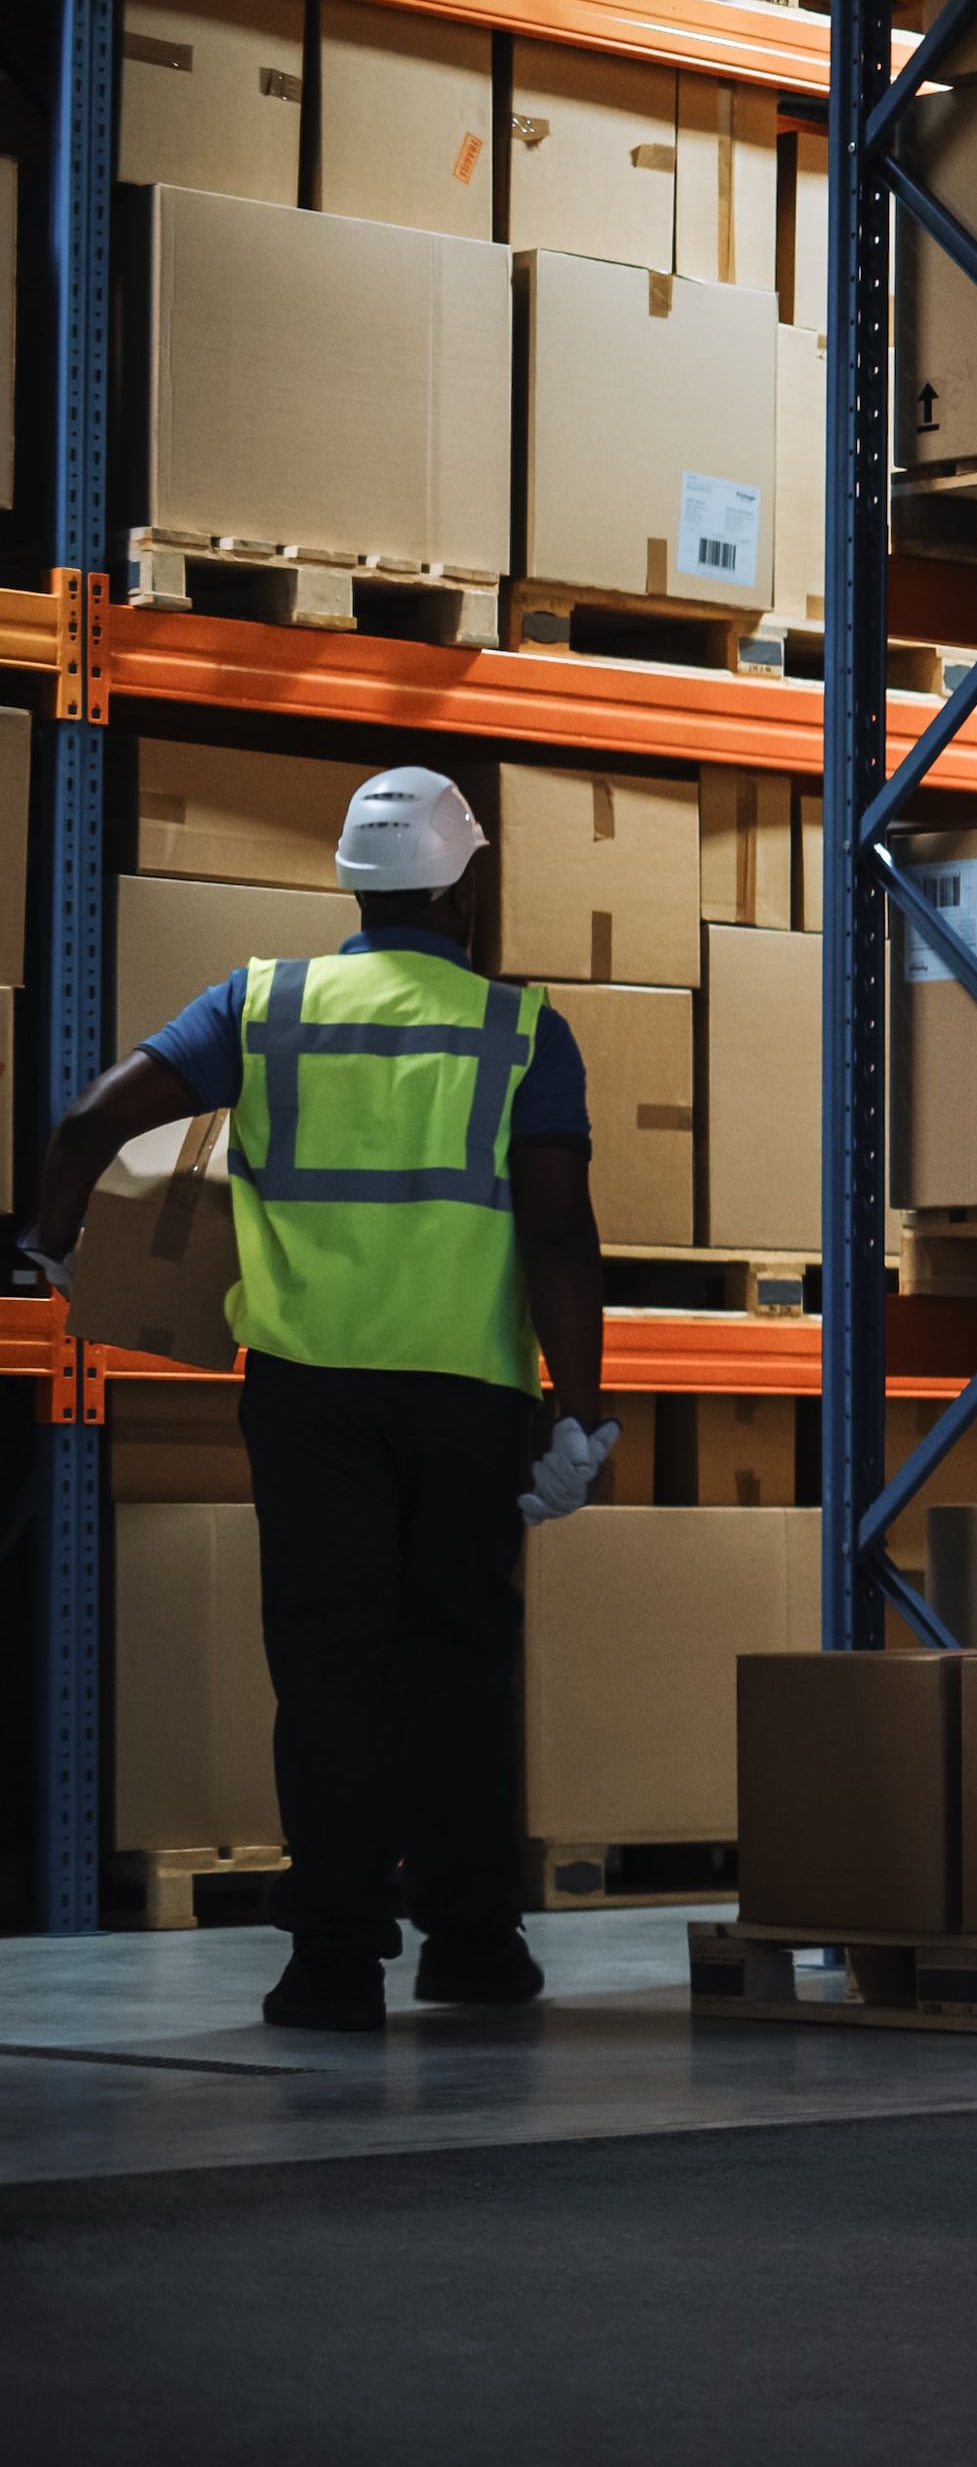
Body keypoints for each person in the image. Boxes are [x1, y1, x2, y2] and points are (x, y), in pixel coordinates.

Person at [21, 770, 619, 2034]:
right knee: (457, 1661)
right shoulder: (523, 1029)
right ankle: (471, 1943)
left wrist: (65, 1242)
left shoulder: (263, 1002)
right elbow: (561, 1236)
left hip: (309, 1393)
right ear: (464, 882)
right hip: (467, 1394)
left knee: (329, 1666)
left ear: (357, 879)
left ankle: (334, 1959)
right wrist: (580, 1412)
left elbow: (89, 1118)